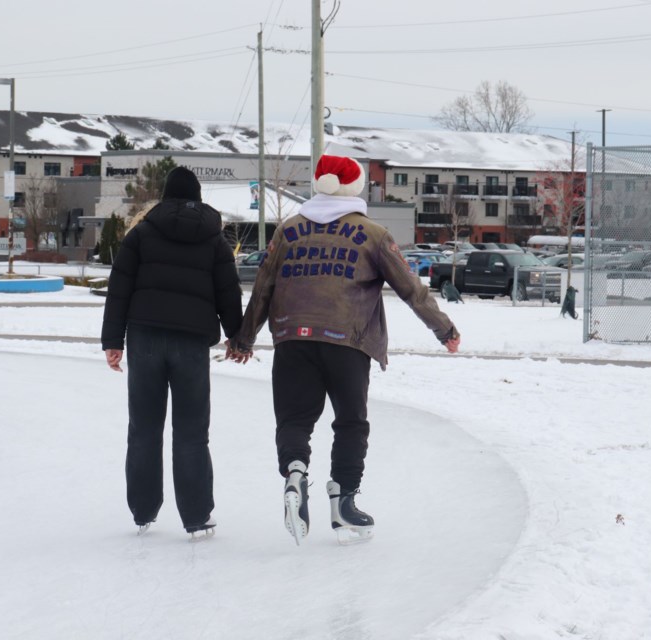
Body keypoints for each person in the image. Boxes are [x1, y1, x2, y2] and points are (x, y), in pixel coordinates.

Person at [228, 154, 461, 545]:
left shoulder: (288, 231)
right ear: (355, 188)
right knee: (350, 422)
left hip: (292, 339)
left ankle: (295, 473)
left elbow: (263, 287)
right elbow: (411, 288)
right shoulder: (372, 233)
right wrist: (445, 329)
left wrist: (243, 338)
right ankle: (344, 502)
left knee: (295, 420)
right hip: (347, 341)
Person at [101, 166, 243, 539]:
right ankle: (196, 517)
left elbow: (119, 289)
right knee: (192, 432)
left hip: (145, 338)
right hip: (192, 344)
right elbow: (229, 291)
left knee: (144, 429)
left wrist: (112, 341)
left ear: (163, 197)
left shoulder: (142, 234)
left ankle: (143, 511)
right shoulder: (214, 239)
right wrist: (237, 337)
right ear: (198, 196)